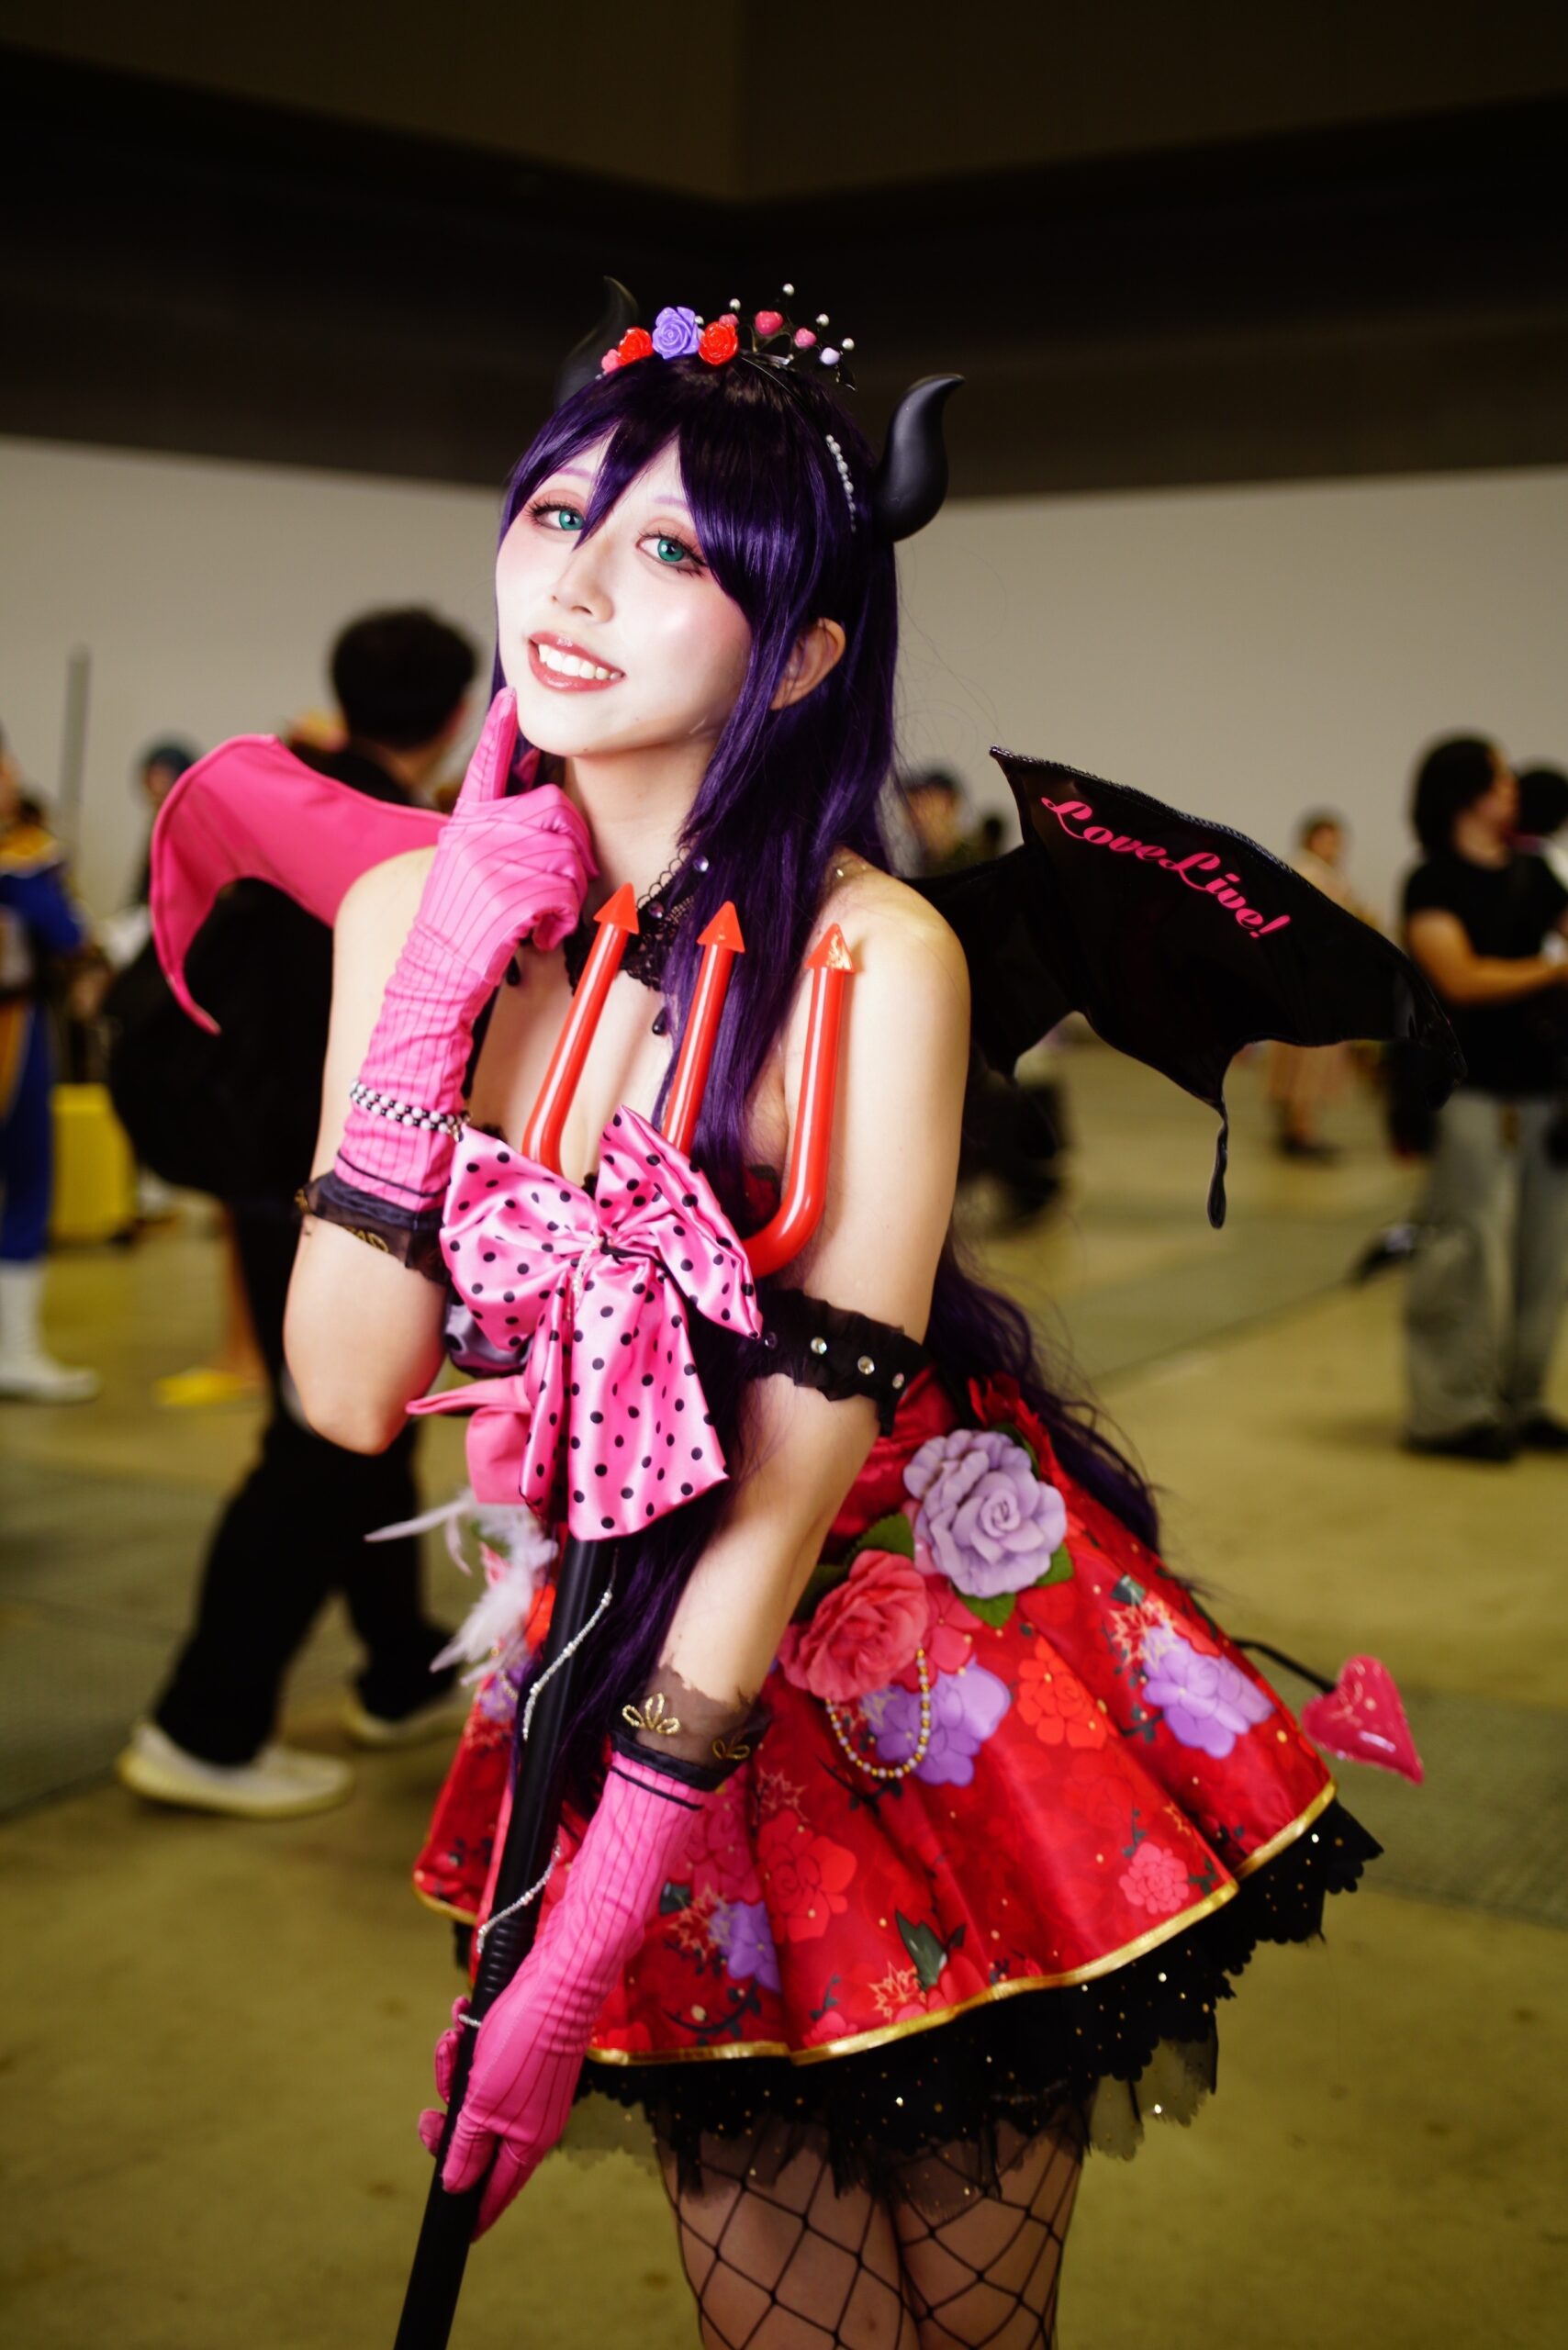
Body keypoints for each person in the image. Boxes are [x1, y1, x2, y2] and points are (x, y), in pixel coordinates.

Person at [203, 297, 1392, 2344]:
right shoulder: (409, 916)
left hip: (907, 1667)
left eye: (670, 547)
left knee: (967, 2323)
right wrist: (433, 990)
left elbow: (788, 1475)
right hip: (610, 1631)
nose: (574, 582)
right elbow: (343, 1386)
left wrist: (595, 1919)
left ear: (808, 651)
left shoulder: (872, 955)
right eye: (557, 513)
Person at [117, 608, 481, 1819]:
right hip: (321, 1189)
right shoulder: (399, 849)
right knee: (321, 1443)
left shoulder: (285, 798)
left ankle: (399, 1669)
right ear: (453, 717)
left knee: (366, 1427)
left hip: (264, 1172)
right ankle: (203, 1725)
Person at [1401, 736, 1568, 1461]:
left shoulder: (1536, 875)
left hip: (1546, 1098)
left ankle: (1520, 1398)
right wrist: (1553, 972)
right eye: (1499, 779)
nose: (1513, 790)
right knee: (1466, 1254)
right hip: (1470, 1095)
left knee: (1545, 1257)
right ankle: (1450, 1411)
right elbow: (1460, 978)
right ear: (1464, 792)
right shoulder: (1432, 882)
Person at [0, 729, 100, 1402]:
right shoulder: (23, 864)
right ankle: (16, 1351)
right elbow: (67, 933)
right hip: (10, 1028)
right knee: (28, 1178)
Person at [1266, 810, 1378, 1159]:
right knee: (1311, 1059)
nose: (1334, 847)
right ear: (1311, 839)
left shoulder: (1309, 872)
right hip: (1313, 981)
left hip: (1309, 980)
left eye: (1337, 841)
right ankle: (1302, 1130)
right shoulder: (1309, 873)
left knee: (1302, 1056)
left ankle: (1296, 1125)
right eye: (1327, 839)